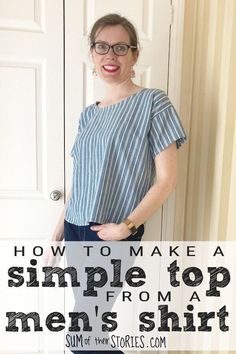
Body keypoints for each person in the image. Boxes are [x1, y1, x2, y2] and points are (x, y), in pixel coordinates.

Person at [50, 13, 187, 354]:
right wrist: (57, 233)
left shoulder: (153, 103)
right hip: (76, 226)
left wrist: (126, 227)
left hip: (111, 231)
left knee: (84, 333)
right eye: (102, 47)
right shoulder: (89, 114)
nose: (110, 55)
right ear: (93, 56)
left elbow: (167, 180)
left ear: (135, 55)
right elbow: (80, 179)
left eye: (120, 48)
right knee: (85, 329)